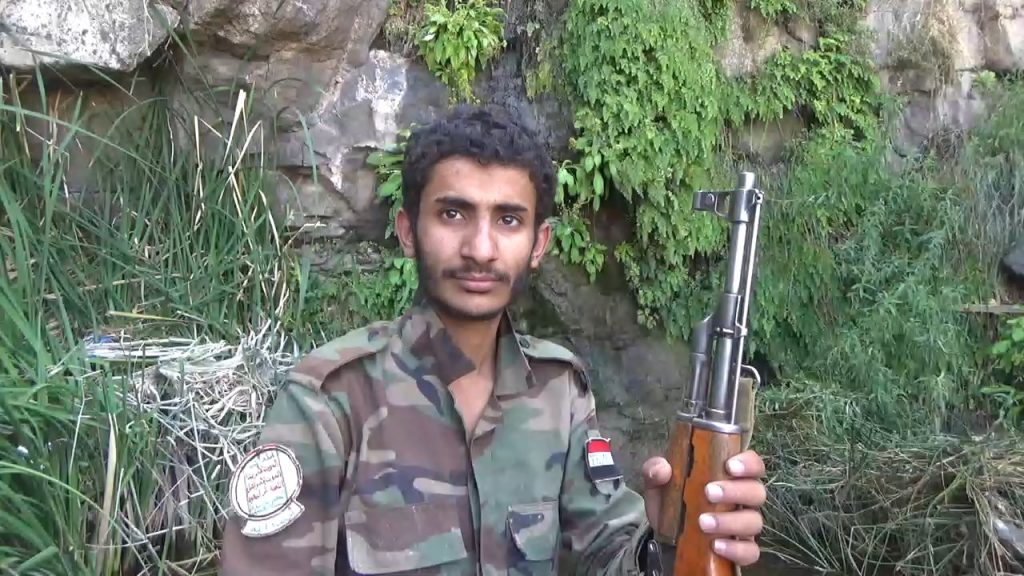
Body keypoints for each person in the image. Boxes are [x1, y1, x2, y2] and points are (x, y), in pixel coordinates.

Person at [219, 104, 767, 575]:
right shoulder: (329, 402)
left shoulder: (559, 391)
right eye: (453, 213)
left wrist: (671, 540)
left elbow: (606, 554)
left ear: (538, 244)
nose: (480, 249)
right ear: (408, 231)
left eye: (508, 220)